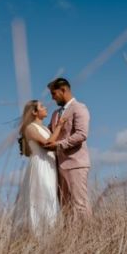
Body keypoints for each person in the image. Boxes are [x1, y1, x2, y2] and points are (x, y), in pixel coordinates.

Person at [13, 99, 65, 233]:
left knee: (50, 197)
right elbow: (47, 144)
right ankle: (38, 233)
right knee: (43, 196)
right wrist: (59, 126)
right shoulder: (30, 128)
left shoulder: (45, 128)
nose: (45, 107)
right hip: (40, 166)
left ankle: (49, 232)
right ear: (34, 112)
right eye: (42, 106)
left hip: (50, 165)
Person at [42, 77, 91, 218]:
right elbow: (49, 133)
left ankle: (88, 231)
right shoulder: (55, 114)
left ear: (63, 90)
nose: (52, 98)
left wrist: (58, 145)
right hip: (58, 166)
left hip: (76, 164)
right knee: (65, 207)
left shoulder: (79, 108)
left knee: (79, 204)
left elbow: (81, 134)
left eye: (53, 93)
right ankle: (69, 233)